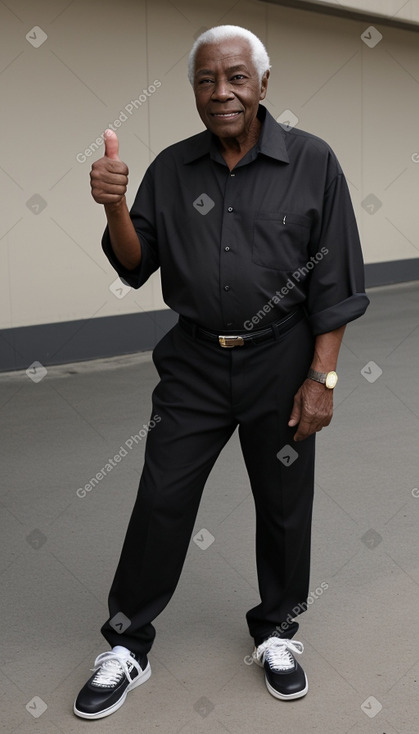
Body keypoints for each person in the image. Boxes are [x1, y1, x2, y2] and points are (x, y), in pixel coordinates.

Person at [74, 25, 369, 719]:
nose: (221, 92)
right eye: (206, 80)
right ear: (194, 92)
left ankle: (276, 631)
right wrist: (113, 203)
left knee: (283, 503)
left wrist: (321, 378)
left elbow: (336, 281)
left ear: (263, 85)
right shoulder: (173, 169)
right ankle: (126, 644)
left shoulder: (311, 162)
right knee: (161, 498)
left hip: (283, 362)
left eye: (236, 77)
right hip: (195, 365)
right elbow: (133, 262)